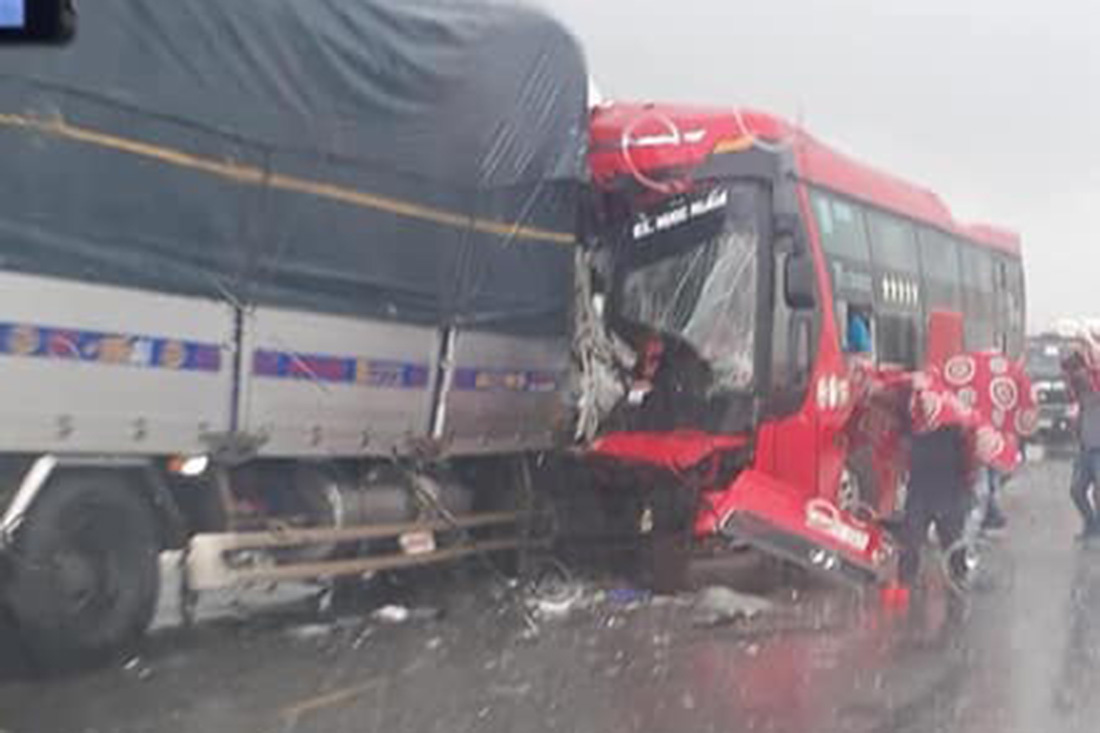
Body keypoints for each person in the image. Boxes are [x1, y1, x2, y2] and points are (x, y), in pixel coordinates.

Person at [898, 424, 973, 585]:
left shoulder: (955, 420)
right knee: (912, 541)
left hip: (946, 487)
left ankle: (959, 580)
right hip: (925, 487)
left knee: (952, 543)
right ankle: (905, 583)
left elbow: (969, 449)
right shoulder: (915, 415)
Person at [1064, 347, 1100, 539]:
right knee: (1077, 490)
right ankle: (1092, 524)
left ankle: (1096, 529)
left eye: (1076, 371)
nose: (1074, 377)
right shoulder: (1079, 393)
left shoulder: (1095, 384)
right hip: (1085, 448)